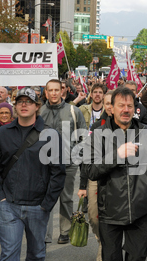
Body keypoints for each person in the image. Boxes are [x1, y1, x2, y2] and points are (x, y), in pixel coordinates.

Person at [86, 86, 147, 261]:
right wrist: (117, 155)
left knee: (137, 256)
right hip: (110, 208)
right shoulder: (98, 131)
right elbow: (89, 170)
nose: (126, 109)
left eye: (130, 105)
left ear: (135, 109)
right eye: (121, 105)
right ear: (111, 108)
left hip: (141, 208)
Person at [0, 87, 66, 261]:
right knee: (8, 254)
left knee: (37, 250)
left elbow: (58, 172)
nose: (23, 104)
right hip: (8, 205)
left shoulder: (50, 134)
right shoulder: (2, 133)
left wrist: (46, 203)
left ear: (37, 106)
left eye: (28, 101)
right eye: (19, 101)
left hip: (38, 205)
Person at [40, 79, 87, 244]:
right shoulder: (39, 112)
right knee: (44, 198)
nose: (53, 93)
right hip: (44, 164)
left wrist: (77, 156)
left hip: (68, 162)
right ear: (46, 92)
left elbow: (83, 135)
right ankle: (44, 235)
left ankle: (65, 231)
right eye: (50, 90)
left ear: (63, 91)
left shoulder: (74, 111)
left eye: (56, 90)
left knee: (66, 197)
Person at [77, 90, 114, 261]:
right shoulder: (97, 126)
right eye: (106, 103)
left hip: (115, 180)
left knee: (110, 217)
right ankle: (103, 241)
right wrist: (83, 185)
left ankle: (103, 254)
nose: (108, 106)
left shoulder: (126, 126)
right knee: (93, 216)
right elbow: (87, 157)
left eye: (111, 102)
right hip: (95, 177)